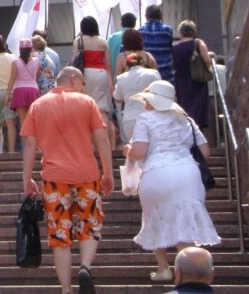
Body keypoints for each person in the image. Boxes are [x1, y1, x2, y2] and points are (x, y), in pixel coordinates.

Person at [21, 66, 114, 294]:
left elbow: (30, 144)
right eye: (83, 83)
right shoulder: (87, 102)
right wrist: (108, 173)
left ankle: (66, 289)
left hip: (54, 178)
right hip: (87, 174)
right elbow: (102, 138)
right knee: (90, 223)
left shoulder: (38, 105)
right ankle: (85, 266)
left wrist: (27, 178)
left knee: (59, 233)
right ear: (73, 79)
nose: (84, 88)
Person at [124, 80, 220, 282]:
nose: (145, 104)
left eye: (147, 100)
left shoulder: (145, 118)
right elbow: (205, 151)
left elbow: (139, 152)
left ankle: (163, 268)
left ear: (152, 101)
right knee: (185, 219)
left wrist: (128, 152)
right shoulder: (186, 120)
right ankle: (189, 271)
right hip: (187, 174)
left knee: (154, 216)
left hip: (156, 173)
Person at [72, 16, 115, 149]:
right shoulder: (103, 42)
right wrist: (111, 83)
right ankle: (103, 141)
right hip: (101, 74)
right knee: (102, 109)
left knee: (84, 107)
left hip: (84, 74)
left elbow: (74, 61)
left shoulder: (79, 41)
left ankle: (88, 144)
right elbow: (108, 66)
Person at [172, 20, 212, 129]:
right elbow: (207, 60)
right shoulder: (198, 43)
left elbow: (173, 65)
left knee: (184, 109)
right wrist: (206, 68)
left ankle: (187, 132)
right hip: (197, 81)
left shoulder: (174, 47)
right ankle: (197, 132)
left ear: (180, 32)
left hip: (181, 83)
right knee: (198, 110)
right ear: (194, 31)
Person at [112, 52, 160, 142]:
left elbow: (117, 98)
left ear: (127, 65)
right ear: (142, 62)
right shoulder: (153, 74)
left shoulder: (121, 78)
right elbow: (159, 92)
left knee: (134, 146)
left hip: (130, 119)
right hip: (151, 116)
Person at [7, 38, 40, 137]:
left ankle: (25, 144)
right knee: (34, 120)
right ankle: (35, 143)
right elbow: (37, 76)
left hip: (19, 90)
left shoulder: (15, 61)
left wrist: (8, 93)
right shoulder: (37, 60)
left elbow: (12, 78)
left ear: (20, 49)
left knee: (23, 121)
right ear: (31, 48)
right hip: (33, 90)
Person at [139, 5, 174, 82]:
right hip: (166, 73)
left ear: (146, 16)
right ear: (161, 16)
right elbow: (170, 48)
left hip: (147, 74)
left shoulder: (140, 31)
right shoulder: (167, 30)